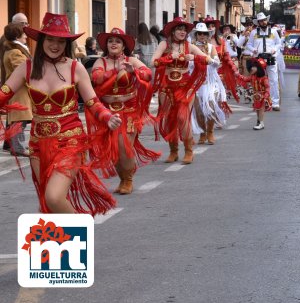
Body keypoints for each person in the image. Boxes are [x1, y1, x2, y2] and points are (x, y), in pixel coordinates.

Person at [0, 13, 122, 214]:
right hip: (38, 145)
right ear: (41, 40)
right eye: (50, 39)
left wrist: (107, 117)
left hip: (70, 142)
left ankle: (81, 230)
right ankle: (65, 243)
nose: (55, 45)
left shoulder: (76, 68)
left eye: (60, 41)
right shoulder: (26, 68)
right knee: (47, 204)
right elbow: (4, 93)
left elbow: (93, 102)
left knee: (54, 197)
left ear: (67, 43)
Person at [91, 28, 160, 195]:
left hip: (129, 111)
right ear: (106, 45)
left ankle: (128, 179)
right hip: (108, 113)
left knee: (123, 146)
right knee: (113, 149)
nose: (113, 43)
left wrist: (134, 71)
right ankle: (123, 178)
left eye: (118, 41)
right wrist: (115, 71)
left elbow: (148, 74)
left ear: (123, 46)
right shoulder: (101, 62)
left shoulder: (131, 60)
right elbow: (96, 78)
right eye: (110, 41)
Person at [152, 17, 213, 164]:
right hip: (166, 88)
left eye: (184, 30)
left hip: (185, 87)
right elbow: (153, 62)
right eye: (179, 29)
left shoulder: (189, 46)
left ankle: (188, 150)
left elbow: (209, 60)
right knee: (169, 119)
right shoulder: (164, 44)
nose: (182, 32)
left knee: (182, 117)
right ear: (173, 31)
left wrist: (194, 58)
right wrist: (167, 58)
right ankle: (173, 151)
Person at [189, 23, 229, 145]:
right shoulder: (191, 47)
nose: (202, 36)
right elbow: (187, 64)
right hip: (196, 82)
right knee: (199, 110)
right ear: (196, 35)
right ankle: (202, 133)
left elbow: (217, 62)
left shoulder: (211, 47)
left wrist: (210, 60)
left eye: (204, 34)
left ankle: (210, 132)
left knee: (210, 107)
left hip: (210, 82)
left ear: (208, 35)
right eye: (199, 33)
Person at [1, 23, 32, 156]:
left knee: (17, 120)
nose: (26, 36)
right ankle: (18, 148)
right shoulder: (15, 52)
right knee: (19, 121)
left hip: (19, 91)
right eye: (23, 33)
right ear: (17, 36)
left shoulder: (14, 50)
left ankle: (12, 146)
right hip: (20, 91)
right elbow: (24, 71)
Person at [246, 12, 282, 110]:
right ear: (258, 22)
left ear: (267, 20)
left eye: (264, 20)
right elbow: (248, 45)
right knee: (259, 81)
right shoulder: (254, 32)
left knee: (273, 80)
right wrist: (253, 50)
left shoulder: (273, 31)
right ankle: (262, 101)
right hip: (259, 59)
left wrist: (274, 49)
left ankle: (275, 103)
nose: (263, 22)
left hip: (271, 57)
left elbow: (279, 44)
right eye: (261, 21)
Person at [236, 58, 271, 130]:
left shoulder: (264, 78)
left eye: (252, 67)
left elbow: (267, 87)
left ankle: (261, 123)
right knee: (257, 109)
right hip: (256, 97)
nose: (251, 69)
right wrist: (237, 75)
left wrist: (265, 96)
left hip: (262, 96)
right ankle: (259, 122)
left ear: (257, 67)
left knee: (261, 109)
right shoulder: (252, 77)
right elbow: (245, 79)